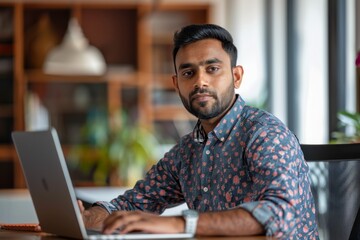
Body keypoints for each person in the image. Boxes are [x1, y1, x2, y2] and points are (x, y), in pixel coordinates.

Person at [79, 23, 319, 239]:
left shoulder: (265, 134)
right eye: (188, 73)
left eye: (212, 69)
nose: (200, 81)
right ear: (176, 84)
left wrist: (180, 223)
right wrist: (87, 218)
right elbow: (134, 204)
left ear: (236, 76)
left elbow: (280, 214)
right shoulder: (187, 151)